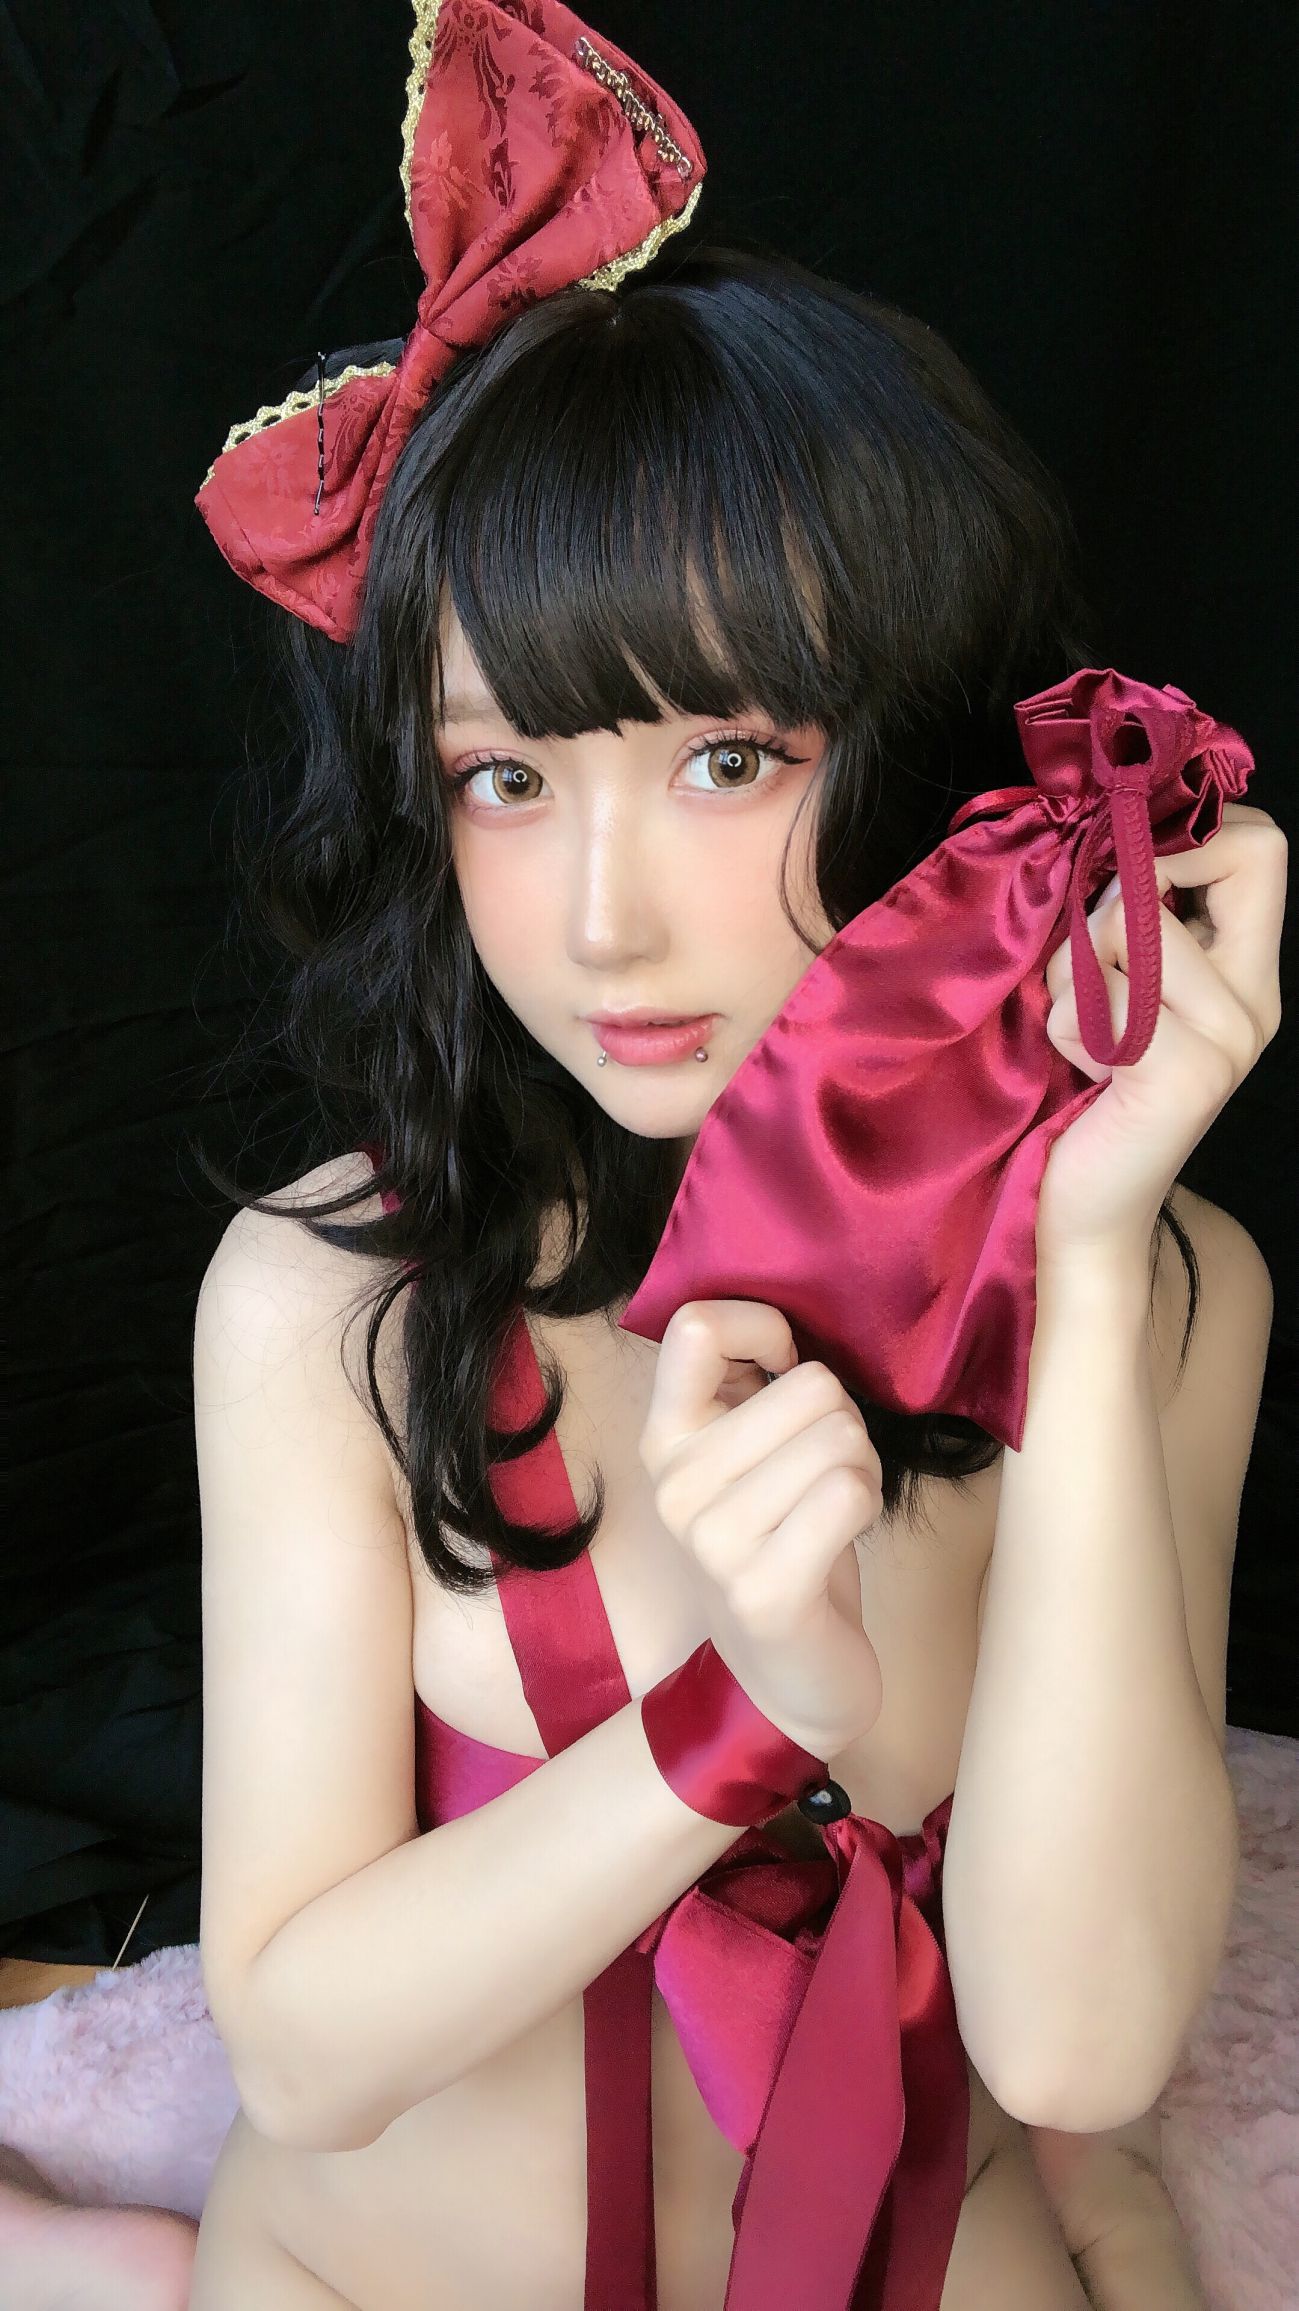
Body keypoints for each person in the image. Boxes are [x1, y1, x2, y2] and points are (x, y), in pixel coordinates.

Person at [9, 3, 1279, 2306]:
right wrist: (743, 1713)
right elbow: (297, 2047)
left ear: (912, 749)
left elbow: (1079, 2043)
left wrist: (1087, 1274)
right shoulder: (333, 1296)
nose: (597, 922)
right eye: (504, 778)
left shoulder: (1165, 1287)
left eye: (721, 757)